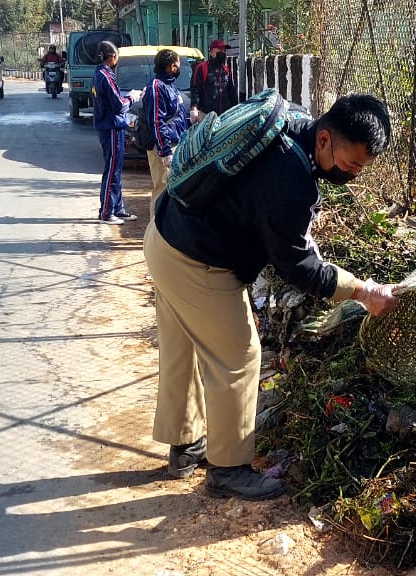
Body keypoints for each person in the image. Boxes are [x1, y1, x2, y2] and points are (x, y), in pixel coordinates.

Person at [144, 94, 400, 500]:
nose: (353, 175)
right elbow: (295, 264)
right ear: (325, 139)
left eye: (361, 168)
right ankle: (228, 470)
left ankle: (185, 444)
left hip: (164, 236)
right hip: (195, 261)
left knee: (182, 348)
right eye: (350, 164)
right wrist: (363, 291)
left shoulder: (292, 121)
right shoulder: (289, 178)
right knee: (239, 358)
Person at [92, 41, 143, 224]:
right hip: (111, 126)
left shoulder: (102, 74)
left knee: (117, 170)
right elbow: (118, 104)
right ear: (112, 57)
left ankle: (118, 207)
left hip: (113, 125)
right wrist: (133, 96)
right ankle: (106, 212)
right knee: (112, 170)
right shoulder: (105, 76)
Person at [138, 49, 191, 214]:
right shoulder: (156, 87)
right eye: (177, 64)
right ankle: (157, 231)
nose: (178, 67)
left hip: (175, 143)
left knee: (172, 189)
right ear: (171, 66)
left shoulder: (169, 86)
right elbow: (156, 121)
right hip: (163, 147)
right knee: (162, 189)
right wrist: (165, 151)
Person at [191, 39, 237, 123]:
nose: (223, 53)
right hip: (206, 115)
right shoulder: (202, 68)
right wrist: (194, 108)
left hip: (224, 115)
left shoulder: (226, 69)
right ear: (212, 52)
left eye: (224, 51)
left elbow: (231, 91)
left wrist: (236, 108)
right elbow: (195, 89)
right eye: (220, 50)